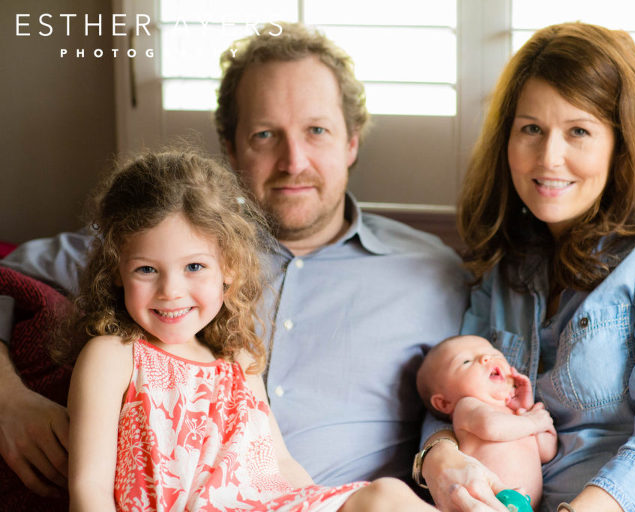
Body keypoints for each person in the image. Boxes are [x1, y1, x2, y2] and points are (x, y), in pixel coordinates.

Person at [0, 22, 468, 500]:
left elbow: (478, 392)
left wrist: (441, 448)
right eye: (266, 134)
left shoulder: (436, 274)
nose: (293, 161)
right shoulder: (165, 236)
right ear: (230, 146)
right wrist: (6, 401)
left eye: (317, 131)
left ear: (352, 140)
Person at [418, 22, 635, 512]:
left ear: (623, 145)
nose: (548, 158)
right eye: (531, 129)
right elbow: (447, 399)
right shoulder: (507, 272)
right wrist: (439, 460)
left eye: (578, 131)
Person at [63, 150, 437, 511]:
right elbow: (89, 485)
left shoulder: (236, 359)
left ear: (229, 266)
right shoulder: (114, 355)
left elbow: (281, 465)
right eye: (147, 270)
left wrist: (318, 500)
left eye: (194, 267)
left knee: (386, 495)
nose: (171, 291)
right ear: (116, 270)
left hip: (265, 504)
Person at [416, 335, 557, 509]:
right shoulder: (467, 407)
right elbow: (491, 427)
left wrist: (529, 413)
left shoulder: (517, 416)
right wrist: (534, 422)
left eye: (493, 352)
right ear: (444, 403)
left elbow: (547, 452)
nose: (485, 358)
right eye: (466, 362)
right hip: (475, 503)